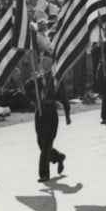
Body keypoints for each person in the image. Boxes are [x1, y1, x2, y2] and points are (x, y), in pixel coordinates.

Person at [32, 52, 70, 183]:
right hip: (39, 112)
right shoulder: (37, 77)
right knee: (40, 143)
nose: (43, 63)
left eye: (46, 60)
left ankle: (44, 174)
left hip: (50, 112)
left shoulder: (56, 79)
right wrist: (32, 80)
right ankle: (58, 157)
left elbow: (64, 98)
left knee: (47, 142)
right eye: (42, 60)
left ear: (52, 62)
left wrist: (67, 115)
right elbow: (26, 90)